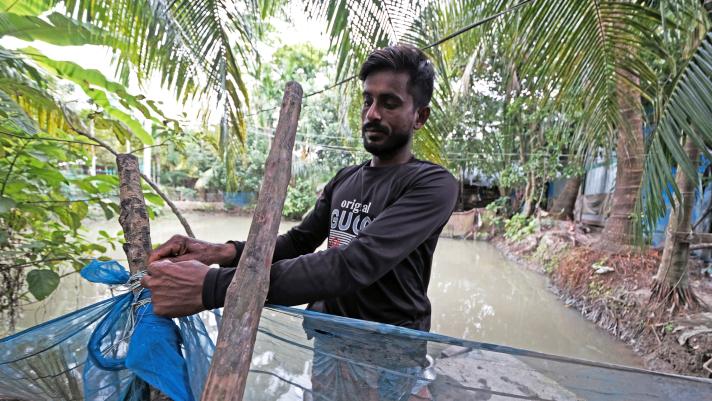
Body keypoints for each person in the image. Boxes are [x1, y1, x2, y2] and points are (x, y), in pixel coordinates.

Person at [142, 44, 458, 400]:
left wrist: (216, 287)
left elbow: (353, 265)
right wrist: (219, 252)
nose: (372, 114)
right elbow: (298, 242)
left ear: (420, 116)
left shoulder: (432, 184)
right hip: (330, 340)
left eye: (389, 103)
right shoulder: (345, 178)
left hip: (389, 352)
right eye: (367, 100)